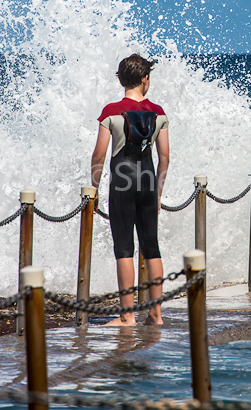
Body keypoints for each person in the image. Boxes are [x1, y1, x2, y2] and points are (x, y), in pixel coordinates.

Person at [91, 54, 170, 325]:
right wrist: (158, 192)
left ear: (121, 79)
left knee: (124, 247)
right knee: (152, 247)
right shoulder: (158, 112)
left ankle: (127, 316)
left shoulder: (111, 111)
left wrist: (95, 188)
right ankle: (156, 314)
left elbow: (99, 155)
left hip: (122, 181)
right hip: (148, 180)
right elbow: (166, 157)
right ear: (145, 79)